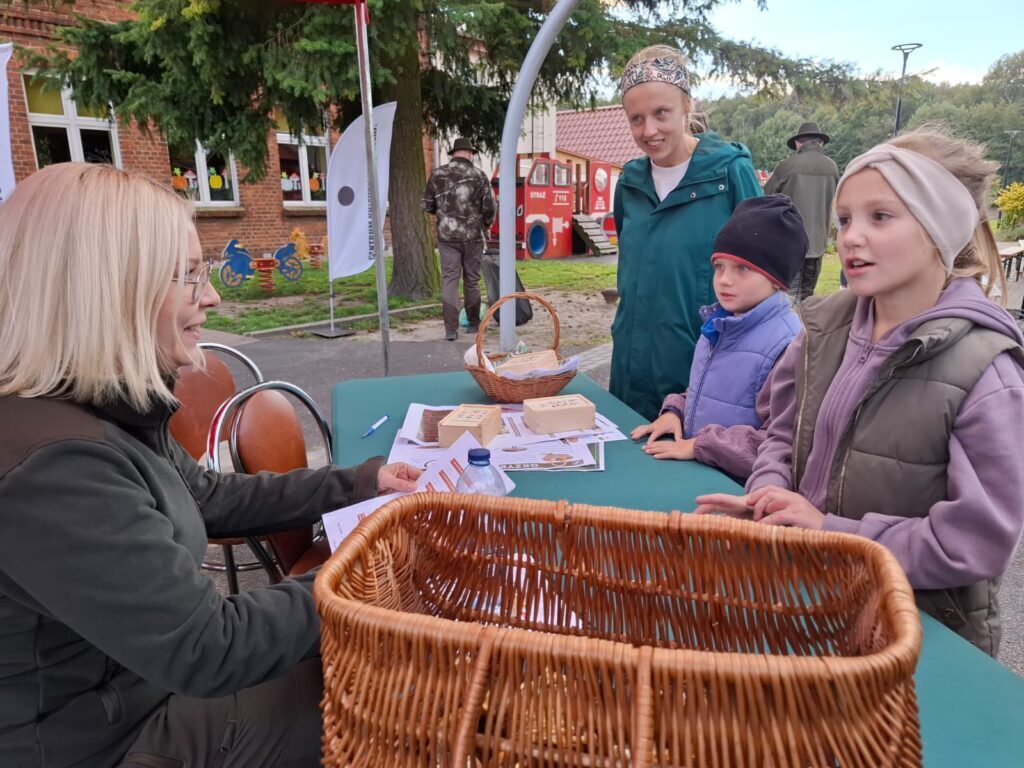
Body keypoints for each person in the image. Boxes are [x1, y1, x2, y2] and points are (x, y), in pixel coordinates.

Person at [0, 162, 422, 767]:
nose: (213, 296)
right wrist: (369, 575)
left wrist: (359, 483)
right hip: (111, 742)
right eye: (189, 275)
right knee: (384, 694)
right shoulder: (54, 467)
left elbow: (208, 496)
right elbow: (209, 646)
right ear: (112, 290)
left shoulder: (97, 407)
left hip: (145, 691)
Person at [695, 129, 1024, 657]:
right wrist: (768, 495)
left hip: (913, 635)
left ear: (939, 227)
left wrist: (830, 531)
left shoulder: (984, 372)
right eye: (845, 219)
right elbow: (781, 435)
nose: (850, 237)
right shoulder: (821, 331)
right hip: (811, 598)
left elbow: (973, 541)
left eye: (881, 216)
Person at [610, 45, 763, 421]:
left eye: (661, 113)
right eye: (636, 119)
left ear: (687, 107)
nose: (649, 131)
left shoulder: (730, 173)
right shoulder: (629, 183)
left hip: (701, 381)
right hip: (630, 378)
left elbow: (763, 281)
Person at [630, 195, 806, 480]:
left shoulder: (787, 345)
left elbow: (781, 444)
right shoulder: (719, 325)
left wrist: (701, 445)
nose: (724, 279)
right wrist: (675, 411)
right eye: (719, 266)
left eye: (742, 268)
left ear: (776, 279)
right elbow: (706, 393)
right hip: (698, 475)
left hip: (738, 490)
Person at [422, 136, 496, 341]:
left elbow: (427, 205)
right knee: (472, 281)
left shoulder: (438, 174)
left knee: (450, 280)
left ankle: (451, 330)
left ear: (454, 153)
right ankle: (473, 323)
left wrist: (445, 215)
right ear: (470, 154)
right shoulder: (479, 175)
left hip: (447, 237)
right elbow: (490, 207)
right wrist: (486, 224)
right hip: (473, 237)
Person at [763, 121, 840, 303]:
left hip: (789, 242)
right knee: (807, 296)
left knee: (788, 297)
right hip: (818, 243)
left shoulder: (786, 166)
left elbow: (765, 197)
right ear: (820, 142)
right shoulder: (832, 167)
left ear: (798, 142)